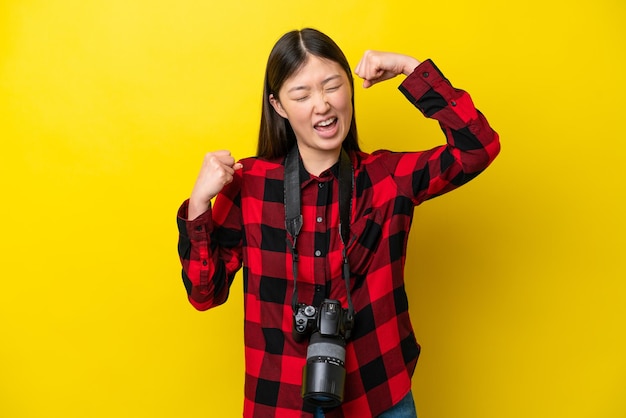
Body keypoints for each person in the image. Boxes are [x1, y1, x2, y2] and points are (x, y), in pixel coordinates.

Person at [176, 28, 500, 418]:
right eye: (302, 95)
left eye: (332, 86)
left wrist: (409, 69)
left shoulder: (386, 177)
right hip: (279, 401)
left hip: (378, 394)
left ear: (350, 87)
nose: (322, 105)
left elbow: (478, 148)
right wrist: (199, 203)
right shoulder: (249, 185)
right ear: (278, 106)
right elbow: (204, 293)